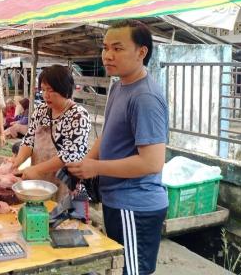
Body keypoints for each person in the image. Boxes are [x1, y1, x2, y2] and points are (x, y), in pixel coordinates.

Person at [67, 20, 169, 275]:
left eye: (117, 48)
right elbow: (108, 136)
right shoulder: (119, 86)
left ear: (141, 52)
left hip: (135, 206)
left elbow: (151, 163)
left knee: (132, 272)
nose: (107, 55)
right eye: (105, 47)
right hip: (117, 200)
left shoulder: (145, 97)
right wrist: (84, 167)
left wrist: (96, 167)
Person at [12, 65, 90, 200]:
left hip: (66, 184)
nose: (45, 95)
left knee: (63, 218)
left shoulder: (78, 115)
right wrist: (17, 161)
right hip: (40, 181)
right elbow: (29, 140)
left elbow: (69, 154)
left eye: (51, 90)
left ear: (64, 89)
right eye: (43, 90)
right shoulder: (41, 110)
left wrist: (37, 169)